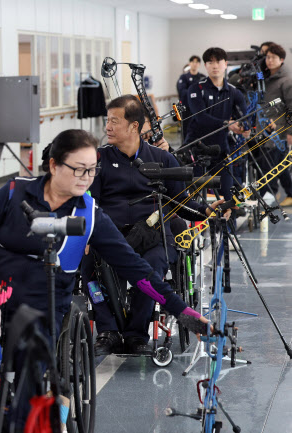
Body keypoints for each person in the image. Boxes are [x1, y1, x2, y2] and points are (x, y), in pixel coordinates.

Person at [0, 129, 209, 432]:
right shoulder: (13, 193)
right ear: (53, 165)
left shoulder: (89, 215)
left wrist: (184, 312)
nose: (87, 177)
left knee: (29, 370)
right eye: (78, 169)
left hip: (44, 306)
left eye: (92, 170)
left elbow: (137, 270)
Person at [84, 95, 225, 356]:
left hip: (153, 235)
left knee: (154, 266)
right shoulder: (99, 159)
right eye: (108, 121)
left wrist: (206, 210)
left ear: (134, 126)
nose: (108, 127)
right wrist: (88, 236)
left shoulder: (162, 159)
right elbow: (90, 202)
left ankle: (137, 334)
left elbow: (181, 202)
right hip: (110, 235)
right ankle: (108, 330)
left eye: (114, 121)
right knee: (89, 265)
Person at [184, 47, 249, 200]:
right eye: (210, 62)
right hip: (196, 150)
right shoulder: (196, 89)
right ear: (205, 66)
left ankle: (227, 223)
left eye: (218, 62)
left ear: (225, 64)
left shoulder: (234, 92)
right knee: (194, 197)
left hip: (221, 150)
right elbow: (201, 118)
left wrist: (245, 127)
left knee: (228, 195)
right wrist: (227, 123)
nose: (215, 66)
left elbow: (244, 116)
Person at [259, 43, 292, 207]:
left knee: (271, 164)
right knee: (279, 165)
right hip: (266, 129)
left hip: (279, 131)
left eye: (273, 57)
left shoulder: (286, 80)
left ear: (281, 60)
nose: (269, 60)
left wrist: (290, 131)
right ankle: (290, 192)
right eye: (267, 57)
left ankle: (267, 193)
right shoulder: (266, 78)